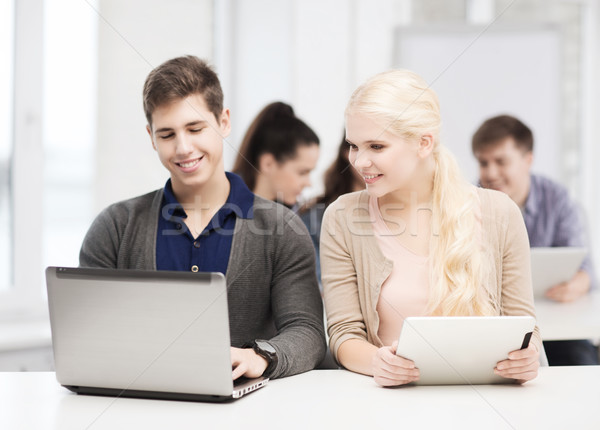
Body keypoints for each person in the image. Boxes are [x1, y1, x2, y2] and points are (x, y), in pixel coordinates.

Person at [79, 55, 326, 380]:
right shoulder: (115, 227)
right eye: (167, 135)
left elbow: (307, 333)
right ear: (151, 136)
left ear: (223, 122)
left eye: (195, 128)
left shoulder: (283, 229)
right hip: (142, 408)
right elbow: (88, 336)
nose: (183, 148)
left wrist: (261, 357)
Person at [320, 69, 541, 387]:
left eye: (377, 147)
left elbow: (526, 326)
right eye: (354, 146)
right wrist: (377, 362)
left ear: (424, 143)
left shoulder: (499, 212)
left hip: (486, 397)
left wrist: (527, 356)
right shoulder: (342, 217)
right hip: (390, 399)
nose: (359, 161)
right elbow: (343, 334)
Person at [472, 114, 599, 366]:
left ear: (527, 160)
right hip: (496, 324)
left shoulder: (557, 198)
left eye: (500, 161)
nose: (491, 172)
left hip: (556, 317)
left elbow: (586, 270)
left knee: (581, 363)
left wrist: (578, 284)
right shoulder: (469, 200)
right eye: (483, 163)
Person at [299, 134, 364, 283]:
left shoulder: (399, 213)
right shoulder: (316, 217)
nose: (367, 162)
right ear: (346, 153)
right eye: (357, 148)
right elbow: (317, 284)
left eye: (378, 148)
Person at [232, 101, 320, 208]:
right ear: (268, 164)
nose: (309, 183)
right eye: (302, 172)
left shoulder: (292, 217)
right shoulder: (221, 207)